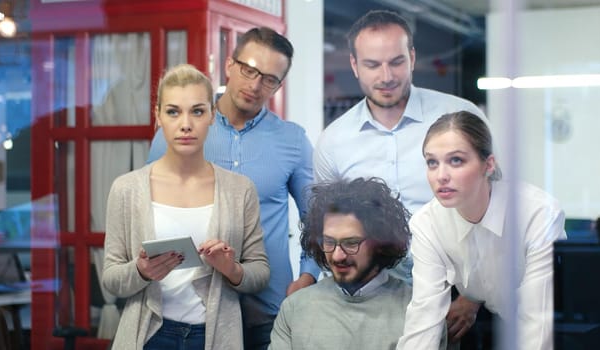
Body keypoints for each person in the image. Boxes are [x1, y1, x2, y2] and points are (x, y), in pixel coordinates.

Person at [313, 9, 487, 343]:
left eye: (396, 61)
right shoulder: (333, 140)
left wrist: (473, 295)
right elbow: (327, 226)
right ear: (354, 65)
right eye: (372, 65)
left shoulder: (461, 117)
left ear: (412, 57)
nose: (386, 75)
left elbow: (493, 208)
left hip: (451, 293)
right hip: (367, 295)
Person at [147, 27, 319, 349]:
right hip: (191, 302)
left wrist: (308, 277)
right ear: (229, 65)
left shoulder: (293, 140)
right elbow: (150, 208)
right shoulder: (184, 127)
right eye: (248, 70)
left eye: (269, 79)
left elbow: (316, 219)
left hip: (266, 305)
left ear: (279, 85)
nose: (255, 85)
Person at [102, 63, 269, 350]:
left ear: (212, 116)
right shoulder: (126, 189)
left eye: (197, 111)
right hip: (148, 336)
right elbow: (111, 279)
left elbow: (260, 273)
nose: (186, 124)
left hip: (215, 336)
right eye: (173, 111)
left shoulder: (240, 189)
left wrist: (232, 269)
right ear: (158, 117)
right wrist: (141, 271)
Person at [397, 111, 567, 350]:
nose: (441, 176)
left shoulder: (536, 214)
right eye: (432, 162)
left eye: (456, 160)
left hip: (565, 333)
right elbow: (424, 321)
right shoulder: (427, 224)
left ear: (488, 165)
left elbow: (537, 325)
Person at [269, 177, 423, 350]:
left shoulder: (417, 309)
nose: (337, 255)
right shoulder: (295, 308)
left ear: (380, 242)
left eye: (351, 243)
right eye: (328, 242)